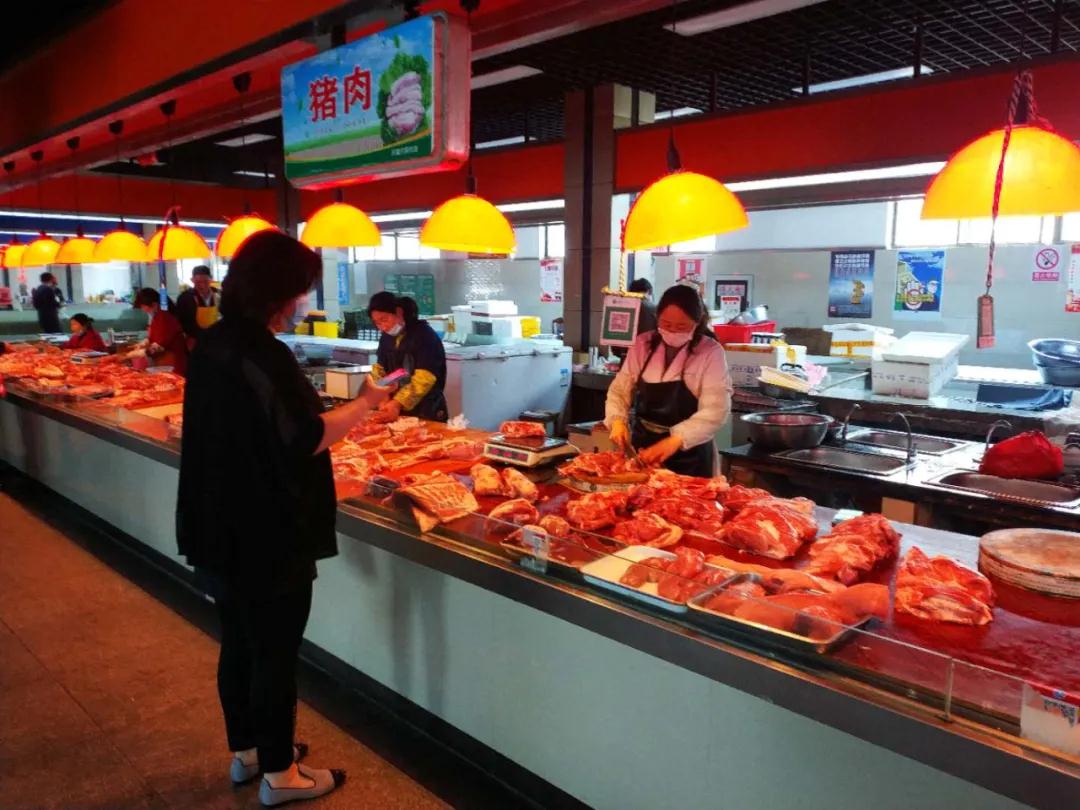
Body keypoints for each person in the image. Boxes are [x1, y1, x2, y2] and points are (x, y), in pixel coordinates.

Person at [177, 231, 386, 806]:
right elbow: (306, 437)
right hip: (266, 530)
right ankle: (281, 775)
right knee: (274, 651)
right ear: (277, 292)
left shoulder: (215, 342)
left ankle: (249, 751)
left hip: (218, 522)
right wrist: (366, 403)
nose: (302, 301)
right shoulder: (262, 353)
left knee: (239, 642)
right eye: (299, 290)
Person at [605, 283, 732, 477]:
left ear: (697, 321)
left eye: (682, 326)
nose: (673, 331)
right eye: (666, 324)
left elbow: (716, 409)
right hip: (644, 447)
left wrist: (676, 439)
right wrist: (617, 421)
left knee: (688, 497)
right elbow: (619, 390)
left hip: (691, 454)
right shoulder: (643, 344)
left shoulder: (711, 352)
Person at [367, 291, 448, 423]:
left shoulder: (424, 336)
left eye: (384, 320)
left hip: (426, 410)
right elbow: (381, 371)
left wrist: (397, 403)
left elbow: (424, 378)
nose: (382, 327)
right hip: (394, 409)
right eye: (377, 323)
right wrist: (383, 396)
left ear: (399, 312)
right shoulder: (386, 338)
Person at [133, 288, 189, 376]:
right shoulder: (157, 315)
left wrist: (130, 355)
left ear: (154, 304)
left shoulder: (165, 317)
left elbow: (157, 347)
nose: (143, 310)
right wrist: (145, 342)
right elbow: (153, 336)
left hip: (174, 363)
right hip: (164, 362)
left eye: (143, 307)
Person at [175, 264, 221, 348]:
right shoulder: (185, 298)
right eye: (198, 282)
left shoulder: (219, 295)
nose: (202, 285)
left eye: (205, 281)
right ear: (192, 280)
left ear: (211, 279)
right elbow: (181, 322)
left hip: (216, 340)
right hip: (194, 342)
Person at [614, 278, 657, 363]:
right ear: (649, 291)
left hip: (625, 357)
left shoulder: (620, 307)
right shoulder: (654, 309)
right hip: (646, 358)